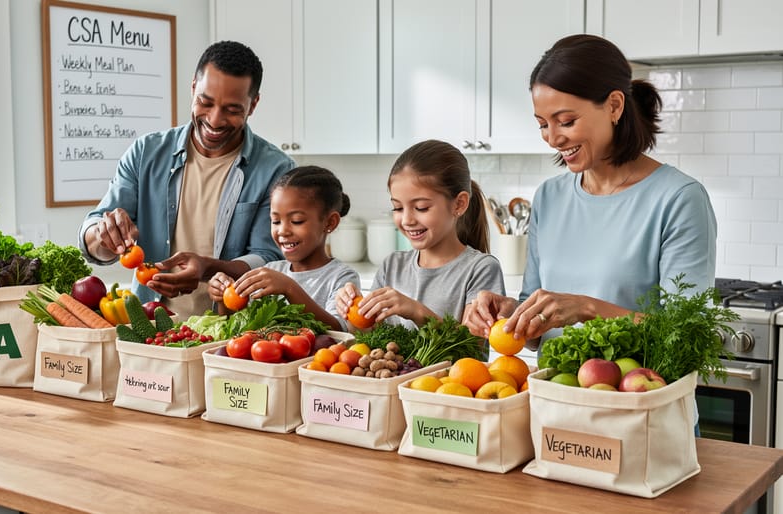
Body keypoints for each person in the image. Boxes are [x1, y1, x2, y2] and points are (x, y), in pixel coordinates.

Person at [463, 34, 718, 347]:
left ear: (614, 106)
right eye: (543, 124)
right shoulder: (549, 197)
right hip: (555, 394)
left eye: (566, 121)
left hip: (638, 394)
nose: (552, 138)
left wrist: (588, 309)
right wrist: (511, 313)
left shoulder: (679, 199)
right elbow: (537, 333)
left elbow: (689, 338)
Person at [78, 41, 294, 317]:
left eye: (232, 109)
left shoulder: (276, 170)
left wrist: (208, 268)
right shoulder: (146, 153)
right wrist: (104, 234)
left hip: (231, 335)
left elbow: (270, 258)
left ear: (253, 105)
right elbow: (92, 240)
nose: (215, 120)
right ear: (193, 87)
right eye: (205, 102)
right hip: (149, 328)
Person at [335, 139, 505, 331]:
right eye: (397, 207)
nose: (407, 219)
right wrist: (353, 311)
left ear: (459, 204)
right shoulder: (392, 265)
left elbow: (471, 349)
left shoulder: (480, 269)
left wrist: (416, 311)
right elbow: (367, 337)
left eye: (421, 208)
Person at [207, 166, 359, 331]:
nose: (283, 231)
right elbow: (240, 328)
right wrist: (224, 298)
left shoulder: (342, 277)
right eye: (276, 221)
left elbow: (339, 333)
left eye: (297, 221)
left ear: (330, 222)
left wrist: (289, 288)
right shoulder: (271, 270)